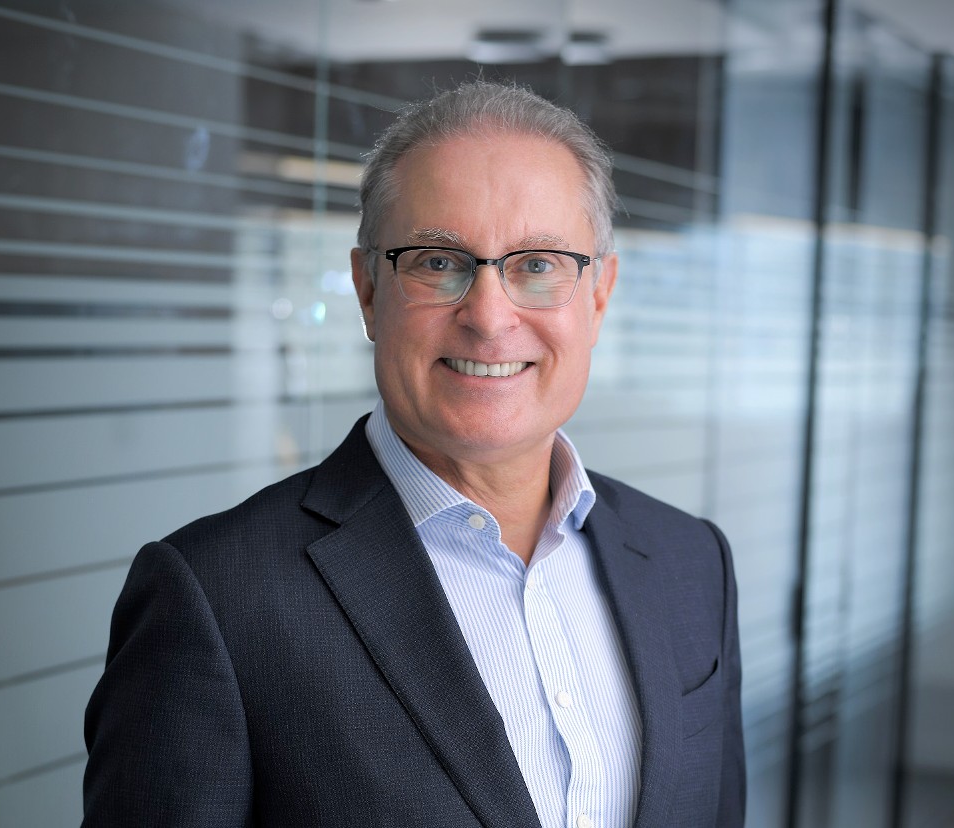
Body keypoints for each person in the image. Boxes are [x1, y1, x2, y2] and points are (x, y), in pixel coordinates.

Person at [83, 81, 745, 828]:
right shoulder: (216, 599)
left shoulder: (692, 562)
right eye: (437, 262)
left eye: (537, 265)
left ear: (598, 295)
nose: (490, 319)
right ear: (369, 289)